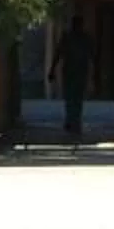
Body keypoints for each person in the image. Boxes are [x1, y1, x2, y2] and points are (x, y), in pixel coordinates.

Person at [49, 8, 95, 145]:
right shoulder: (83, 38)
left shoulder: (69, 38)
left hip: (72, 71)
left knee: (72, 98)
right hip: (77, 71)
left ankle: (72, 121)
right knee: (75, 98)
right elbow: (91, 57)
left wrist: (52, 70)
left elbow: (58, 54)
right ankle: (74, 122)